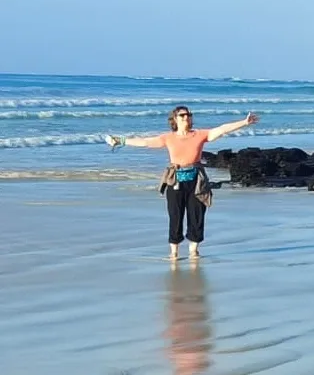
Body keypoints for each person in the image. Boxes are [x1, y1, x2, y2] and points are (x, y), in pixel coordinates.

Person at [105, 106, 258, 260]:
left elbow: (222, 129)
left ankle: (193, 251)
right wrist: (121, 140)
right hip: (175, 181)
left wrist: (244, 122)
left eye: (189, 115)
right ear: (175, 119)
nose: (186, 117)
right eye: (182, 115)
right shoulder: (168, 138)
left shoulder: (199, 134)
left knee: (197, 215)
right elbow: (145, 142)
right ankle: (174, 253)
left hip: (197, 181)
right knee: (175, 216)